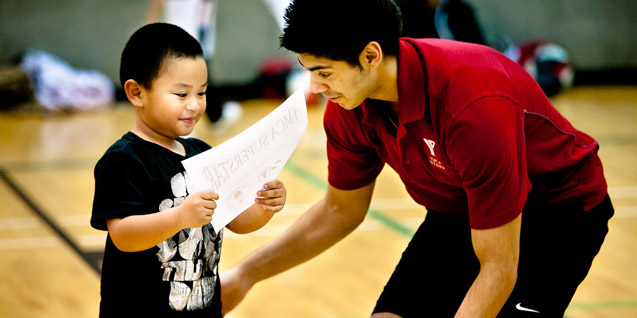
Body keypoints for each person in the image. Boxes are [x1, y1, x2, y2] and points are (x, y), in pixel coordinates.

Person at [220, 1, 613, 317]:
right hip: (458, 209)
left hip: (560, 212)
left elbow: (498, 267)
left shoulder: (472, 107)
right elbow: (341, 211)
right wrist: (243, 276)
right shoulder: (348, 106)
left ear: (371, 55)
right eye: (308, 72)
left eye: (324, 73)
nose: (315, 88)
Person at [90, 23, 287, 317]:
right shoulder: (123, 161)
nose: (195, 105)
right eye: (181, 94)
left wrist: (264, 206)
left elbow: (236, 220)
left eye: (202, 93)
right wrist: (180, 217)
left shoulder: (203, 153)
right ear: (136, 92)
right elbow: (123, 235)